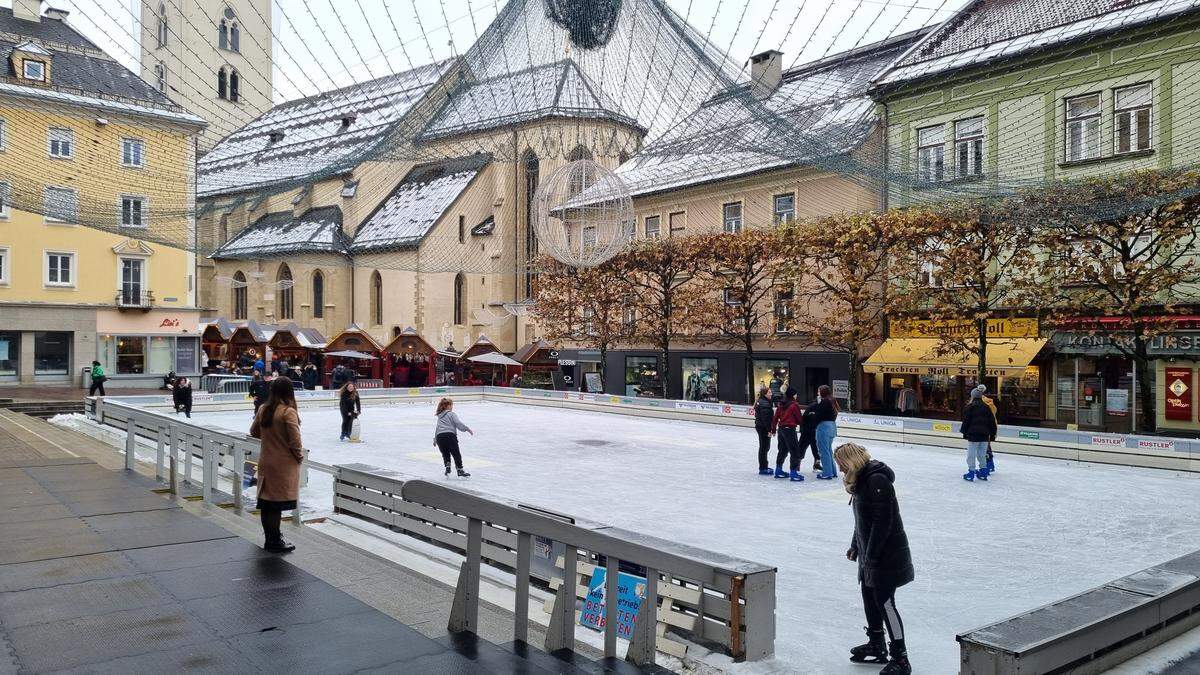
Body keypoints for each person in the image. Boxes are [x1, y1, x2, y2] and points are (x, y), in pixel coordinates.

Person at [838, 443, 913, 675]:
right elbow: (863, 520)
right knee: (869, 598)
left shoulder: (877, 480)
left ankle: (901, 658)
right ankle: (877, 644)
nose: (840, 469)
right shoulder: (861, 479)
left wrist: (870, 555)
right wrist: (855, 545)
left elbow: (883, 522)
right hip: (870, 554)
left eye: (841, 464)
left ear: (850, 461)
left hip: (887, 555)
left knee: (885, 603)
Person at [249, 377, 303, 553]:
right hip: (283, 465)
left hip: (266, 461)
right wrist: (298, 457)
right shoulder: (288, 412)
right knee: (277, 504)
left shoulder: (264, 408)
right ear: (289, 392)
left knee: (267, 503)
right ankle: (275, 541)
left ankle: (271, 538)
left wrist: (270, 439)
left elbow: (254, 431)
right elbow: (295, 441)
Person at [960, 386, 997, 481]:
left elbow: (966, 421)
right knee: (982, 454)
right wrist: (992, 434)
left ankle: (971, 472)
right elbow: (992, 422)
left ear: (973, 396)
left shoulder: (970, 407)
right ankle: (983, 471)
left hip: (973, 435)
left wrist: (964, 432)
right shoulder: (987, 407)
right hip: (985, 435)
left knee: (971, 455)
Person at [770, 387, 805, 482]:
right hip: (789, 430)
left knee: (782, 450)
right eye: (796, 394)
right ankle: (793, 473)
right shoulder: (794, 405)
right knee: (795, 451)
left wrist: (773, 429)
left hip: (781, 430)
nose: (796, 396)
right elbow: (799, 419)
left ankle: (778, 470)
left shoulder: (781, 404)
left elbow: (775, 418)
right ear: (793, 395)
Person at [433, 398, 472, 477]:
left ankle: (447, 466)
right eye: (451, 405)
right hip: (449, 436)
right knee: (456, 453)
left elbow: (437, 428)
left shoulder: (440, 416)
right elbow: (457, 423)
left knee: (445, 453)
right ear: (447, 406)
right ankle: (460, 470)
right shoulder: (451, 414)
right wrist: (466, 429)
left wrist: (435, 440)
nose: (452, 407)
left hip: (440, 437)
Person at [813, 384, 840, 480]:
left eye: (819, 391)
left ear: (823, 392)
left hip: (824, 427)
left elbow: (818, 414)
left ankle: (827, 473)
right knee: (828, 450)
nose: (818, 393)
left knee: (823, 451)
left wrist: (813, 418)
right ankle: (832, 471)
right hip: (832, 427)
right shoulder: (833, 400)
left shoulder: (825, 401)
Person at [753, 386, 774, 476]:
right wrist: (769, 430)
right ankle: (763, 468)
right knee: (764, 447)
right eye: (769, 392)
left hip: (760, 427)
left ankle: (764, 466)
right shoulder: (764, 403)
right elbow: (766, 419)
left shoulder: (761, 401)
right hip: (763, 428)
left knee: (764, 447)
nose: (771, 394)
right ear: (765, 394)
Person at [977, 385, 998, 473]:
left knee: (983, 448)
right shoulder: (990, 403)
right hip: (990, 427)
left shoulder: (981, 403)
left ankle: (987, 465)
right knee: (986, 447)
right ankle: (990, 464)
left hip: (983, 428)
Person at [799, 395, 822, 474]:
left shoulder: (821, 406)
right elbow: (804, 418)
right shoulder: (813, 406)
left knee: (816, 448)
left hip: (814, 431)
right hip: (807, 431)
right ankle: (796, 463)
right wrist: (802, 430)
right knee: (802, 447)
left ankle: (817, 464)